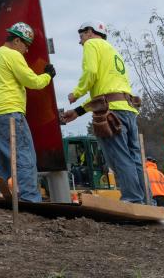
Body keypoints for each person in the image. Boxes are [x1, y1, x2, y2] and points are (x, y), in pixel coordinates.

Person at [60, 20, 145, 204]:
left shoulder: (92, 45)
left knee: (120, 158)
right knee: (134, 160)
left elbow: (90, 72)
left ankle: (132, 202)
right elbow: (107, 94)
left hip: (112, 114)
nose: (80, 41)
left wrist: (77, 92)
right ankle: (146, 202)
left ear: (90, 32)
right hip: (128, 111)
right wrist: (78, 111)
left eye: (81, 35)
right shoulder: (112, 52)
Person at [0, 22, 55, 203]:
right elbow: (32, 82)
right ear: (16, 41)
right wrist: (48, 76)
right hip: (10, 114)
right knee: (24, 157)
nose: (27, 50)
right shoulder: (13, 55)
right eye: (25, 45)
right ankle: (30, 200)